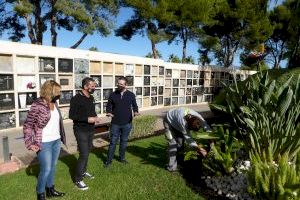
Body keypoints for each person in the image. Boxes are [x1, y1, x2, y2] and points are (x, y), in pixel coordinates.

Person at [23, 80, 66, 200]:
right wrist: (30, 143)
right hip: (43, 142)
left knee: (53, 166)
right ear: (50, 91)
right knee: (46, 168)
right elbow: (28, 125)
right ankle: (40, 193)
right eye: (58, 92)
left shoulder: (55, 103)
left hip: (56, 141)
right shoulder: (37, 104)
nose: (60, 94)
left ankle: (50, 189)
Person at [69, 77, 100, 190]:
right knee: (84, 154)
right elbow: (72, 115)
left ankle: (83, 172)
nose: (94, 87)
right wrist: (87, 119)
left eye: (94, 86)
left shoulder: (91, 97)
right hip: (80, 130)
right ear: (86, 86)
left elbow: (91, 111)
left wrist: (95, 117)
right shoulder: (76, 99)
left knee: (88, 151)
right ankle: (78, 179)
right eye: (92, 86)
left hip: (90, 129)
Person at [104, 76, 139, 167]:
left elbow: (135, 106)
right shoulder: (113, 94)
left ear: (126, 85)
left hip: (127, 123)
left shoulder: (131, 95)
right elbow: (108, 106)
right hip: (115, 123)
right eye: (118, 84)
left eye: (121, 84)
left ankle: (122, 158)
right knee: (113, 142)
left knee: (124, 142)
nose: (119, 85)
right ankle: (108, 161)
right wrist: (109, 112)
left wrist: (135, 112)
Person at [163, 107, 212, 172]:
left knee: (180, 144)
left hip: (176, 122)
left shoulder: (198, 117)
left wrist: (211, 139)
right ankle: (171, 167)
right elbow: (189, 139)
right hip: (169, 121)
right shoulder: (183, 123)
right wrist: (199, 148)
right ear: (188, 126)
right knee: (173, 144)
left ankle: (179, 161)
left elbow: (206, 126)